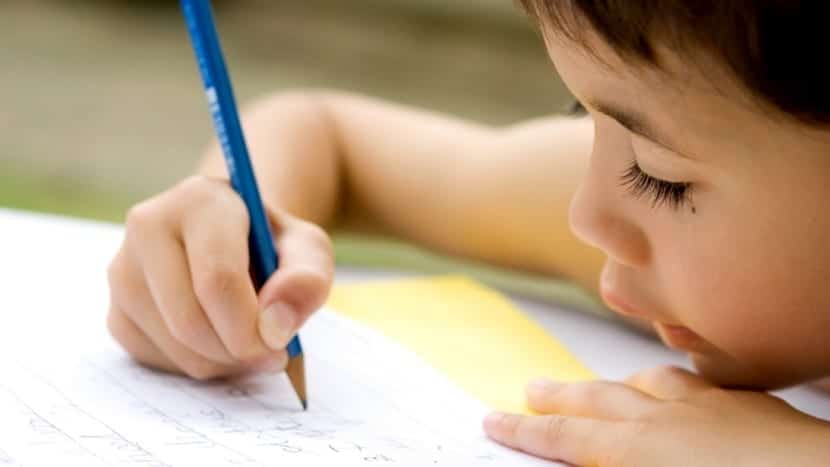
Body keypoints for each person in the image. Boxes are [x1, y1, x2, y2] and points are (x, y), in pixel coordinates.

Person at [105, 1, 830, 465]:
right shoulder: (637, 216)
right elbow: (326, 136)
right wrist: (229, 230)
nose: (585, 215)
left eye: (656, 173)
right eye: (583, 116)